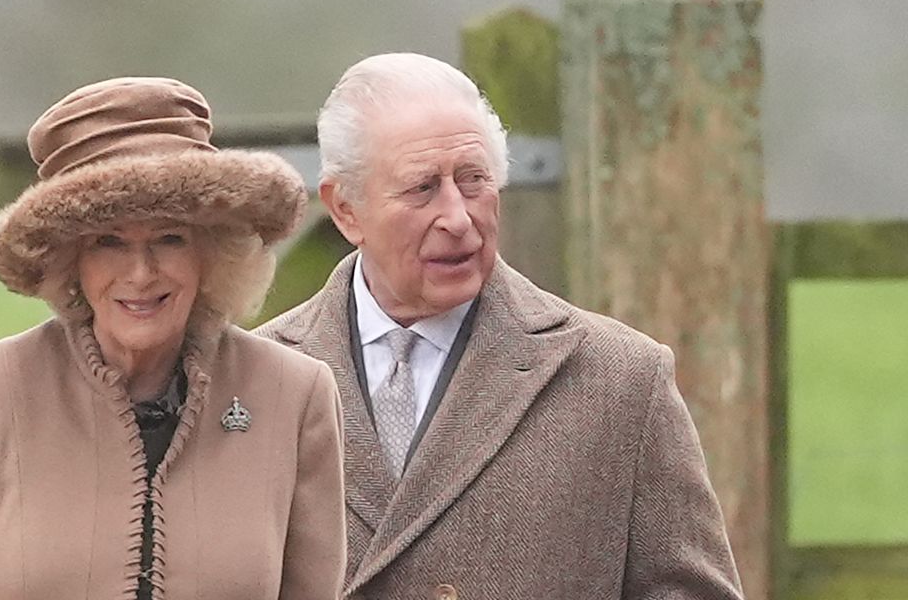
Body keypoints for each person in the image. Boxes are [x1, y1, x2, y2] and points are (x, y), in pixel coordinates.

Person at [255, 53, 743, 600]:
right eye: (422, 189)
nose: (459, 218)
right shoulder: (256, 381)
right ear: (345, 209)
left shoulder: (619, 381)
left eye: (473, 181)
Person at [0, 77, 345, 600]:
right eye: (109, 242)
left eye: (169, 238)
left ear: (212, 251)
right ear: (69, 260)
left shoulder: (294, 394)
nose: (141, 273)